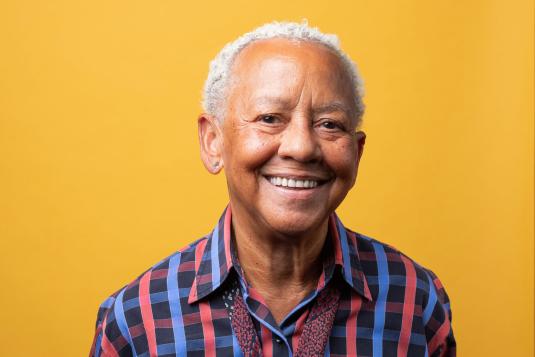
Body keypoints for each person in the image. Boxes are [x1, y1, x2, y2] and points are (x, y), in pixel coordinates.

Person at [89, 21, 456, 357]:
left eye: (329, 124)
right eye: (269, 119)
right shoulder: (138, 320)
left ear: (357, 152)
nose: (301, 147)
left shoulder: (415, 301)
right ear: (213, 141)